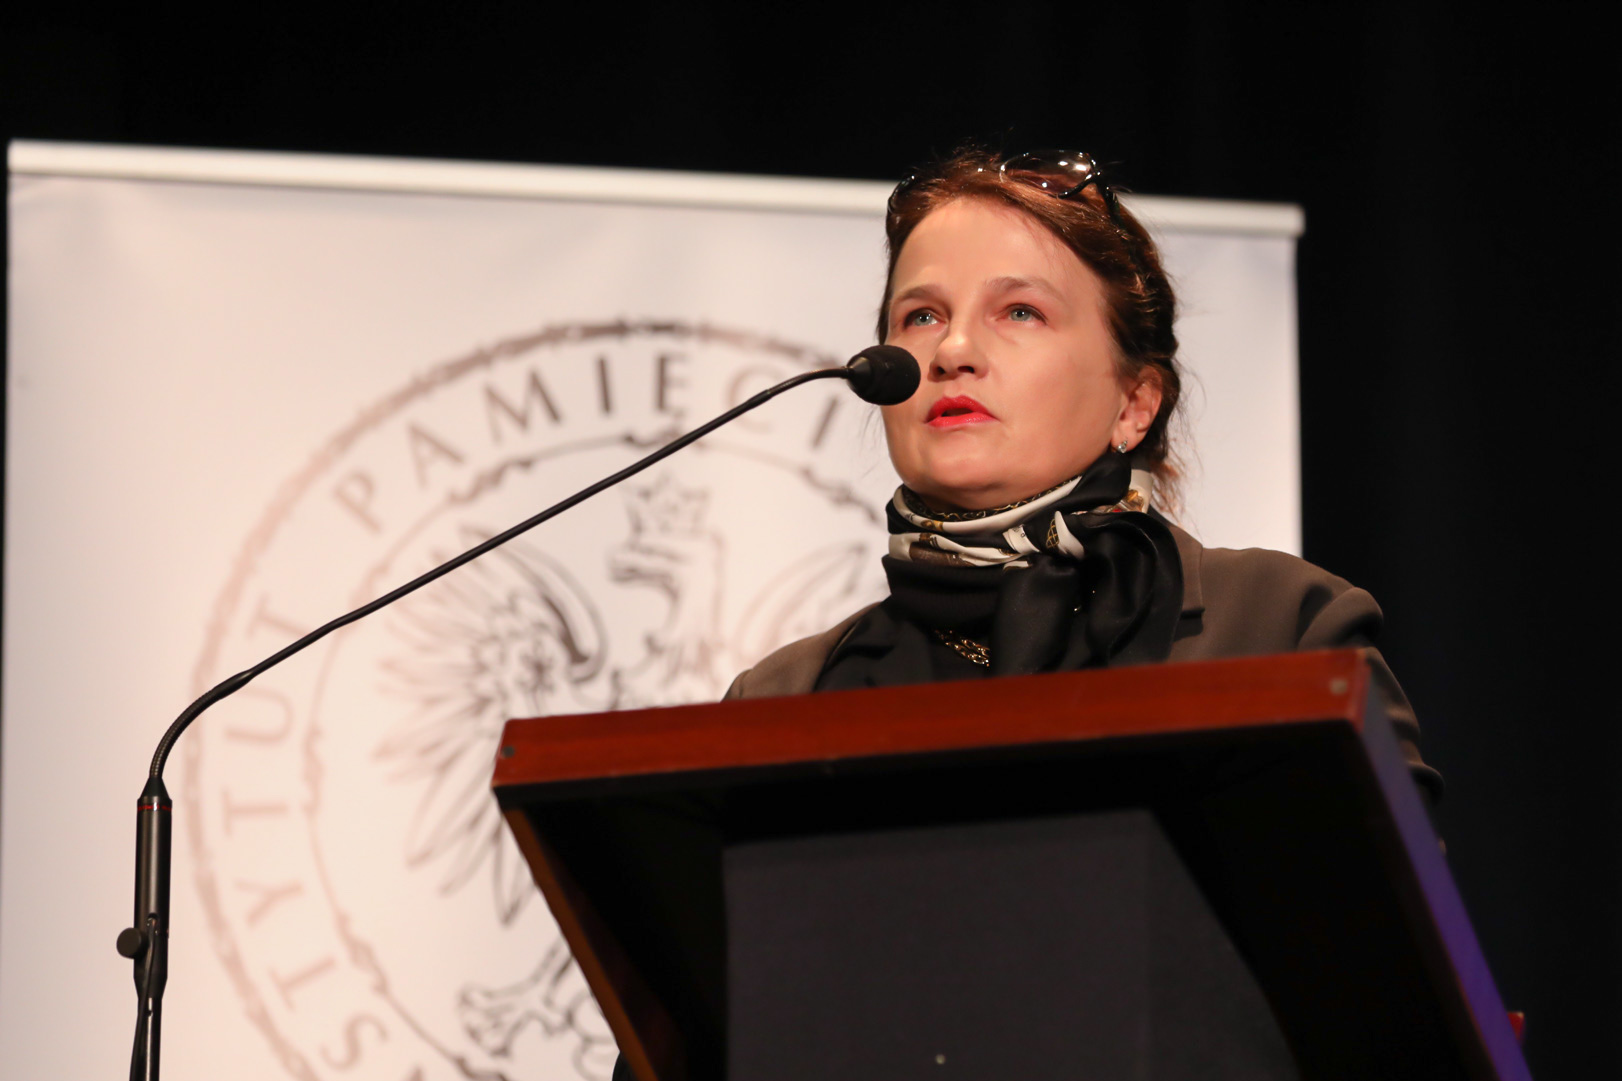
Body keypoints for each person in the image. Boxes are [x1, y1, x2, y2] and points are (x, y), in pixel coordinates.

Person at [725, 147, 1438, 796]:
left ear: (1134, 403)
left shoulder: (1281, 631)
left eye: (1020, 311)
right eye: (921, 316)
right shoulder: (784, 697)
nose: (953, 350)